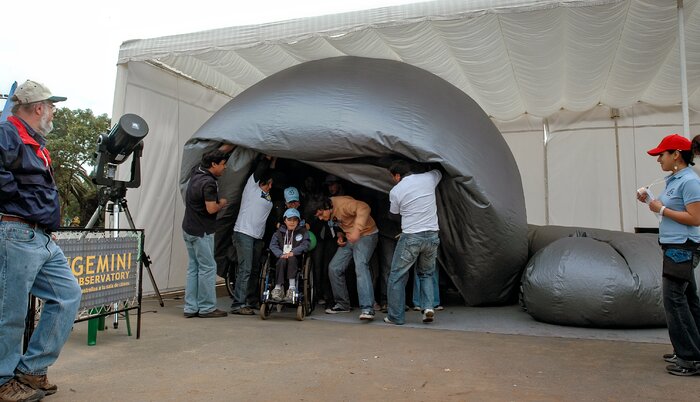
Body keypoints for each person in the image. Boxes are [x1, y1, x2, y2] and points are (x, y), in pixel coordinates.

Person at [0, 80, 82, 401]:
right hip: (17, 231)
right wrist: (19, 203)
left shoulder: (29, 138)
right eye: (51, 107)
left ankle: (31, 370)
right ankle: (4, 381)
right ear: (38, 108)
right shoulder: (8, 131)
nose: (53, 113)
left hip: (39, 236)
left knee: (67, 296)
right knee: (10, 313)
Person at [637, 133, 700, 376]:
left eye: (661, 154)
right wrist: (650, 201)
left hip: (682, 248)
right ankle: (690, 349)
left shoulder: (690, 182)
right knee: (690, 300)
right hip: (674, 247)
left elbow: (695, 218)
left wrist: (661, 208)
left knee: (674, 301)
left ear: (676, 155)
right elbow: (668, 209)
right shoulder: (674, 180)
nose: (658, 159)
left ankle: (690, 358)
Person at [384, 160, 442, 325]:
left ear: (397, 175)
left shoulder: (396, 191)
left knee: (396, 275)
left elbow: (394, 214)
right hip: (432, 235)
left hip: (411, 236)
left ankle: (395, 316)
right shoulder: (428, 178)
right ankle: (428, 307)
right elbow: (439, 171)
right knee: (427, 273)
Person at [311, 196, 379, 320]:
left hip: (367, 234)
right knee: (334, 268)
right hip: (350, 238)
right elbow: (341, 224)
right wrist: (340, 236)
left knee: (361, 266)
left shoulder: (343, 205)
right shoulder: (329, 212)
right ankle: (343, 304)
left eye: (320, 214)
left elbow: (364, 207)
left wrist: (357, 230)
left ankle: (368, 308)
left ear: (326, 208)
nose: (320, 218)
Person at [181, 150, 230, 319]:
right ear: (214, 165)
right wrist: (222, 203)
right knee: (208, 268)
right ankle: (207, 307)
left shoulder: (197, 172)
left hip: (188, 228)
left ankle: (190, 307)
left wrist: (227, 148)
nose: (225, 167)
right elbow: (211, 209)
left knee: (193, 268)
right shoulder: (208, 184)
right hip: (202, 231)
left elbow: (212, 156)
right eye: (223, 164)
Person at [230, 156, 275, 315]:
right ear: (260, 182)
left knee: (255, 269)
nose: (270, 186)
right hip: (244, 233)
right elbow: (260, 171)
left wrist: (274, 163)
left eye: (271, 184)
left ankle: (251, 300)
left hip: (257, 236)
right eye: (267, 184)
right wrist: (267, 160)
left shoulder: (267, 196)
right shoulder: (252, 188)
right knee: (246, 268)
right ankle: (238, 304)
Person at [269, 208, 310, 302]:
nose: (292, 222)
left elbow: (305, 244)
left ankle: (292, 288)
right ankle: (278, 288)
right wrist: (280, 254)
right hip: (281, 258)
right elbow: (273, 245)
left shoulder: (303, 232)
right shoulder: (278, 233)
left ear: (298, 221)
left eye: (295, 220)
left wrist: (293, 252)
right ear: (285, 221)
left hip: (296, 259)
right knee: (282, 260)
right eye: (289, 220)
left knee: (291, 259)